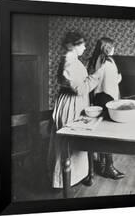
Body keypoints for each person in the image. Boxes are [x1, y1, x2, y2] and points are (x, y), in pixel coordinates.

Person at [47, 32, 102, 188]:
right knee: (69, 142)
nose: (85, 47)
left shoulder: (71, 60)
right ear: (74, 45)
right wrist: (97, 76)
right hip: (71, 104)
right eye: (82, 44)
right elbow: (81, 89)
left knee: (75, 142)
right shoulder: (70, 63)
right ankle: (63, 180)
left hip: (74, 102)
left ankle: (77, 175)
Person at [88, 37, 125, 180]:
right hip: (107, 98)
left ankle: (103, 164)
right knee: (108, 133)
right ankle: (109, 167)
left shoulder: (96, 59)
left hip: (99, 98)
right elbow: (111, 82)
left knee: (101, 132)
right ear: (108, 48)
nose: (114, 49)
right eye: (113, 46)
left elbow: (99, 80)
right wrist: (119, 78)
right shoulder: (108, 62)